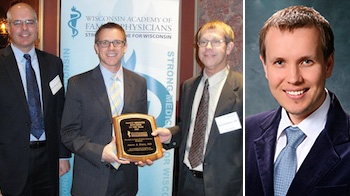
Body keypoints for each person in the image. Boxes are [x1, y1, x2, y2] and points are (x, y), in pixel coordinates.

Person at [245, 5, 350, 196]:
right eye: (279, 62)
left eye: (306, 61)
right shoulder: (246, 133)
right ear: (265, 66)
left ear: (328, 64)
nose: (294, 78)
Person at [60, 22, 150, 196]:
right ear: (96, 47)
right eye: (104, 42)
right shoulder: (78, 84)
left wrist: (143, 153)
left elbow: (140, 128)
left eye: (117, 42)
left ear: (125, 47)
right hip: (91, 178)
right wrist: (101, 153)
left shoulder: (139, 83)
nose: (111, 47)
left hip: (127, 180)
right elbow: (68, 133)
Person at [155, 20, 243, 196]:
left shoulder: (243, 88)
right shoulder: (189, 86)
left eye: (216, 42)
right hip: (186, 181)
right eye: (203, 42)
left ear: (229, 47)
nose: (208, 47)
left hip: (224, 187)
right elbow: (191, 127)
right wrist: (172, 134)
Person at [0, 2, 71, 196]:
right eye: (18, 23)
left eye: (30, 22)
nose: (24, 28)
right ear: (8, 26)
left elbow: (59, 112)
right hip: (9, 163)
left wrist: (63, 155)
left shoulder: (54, 64)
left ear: (37, 26)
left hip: (48, 160)